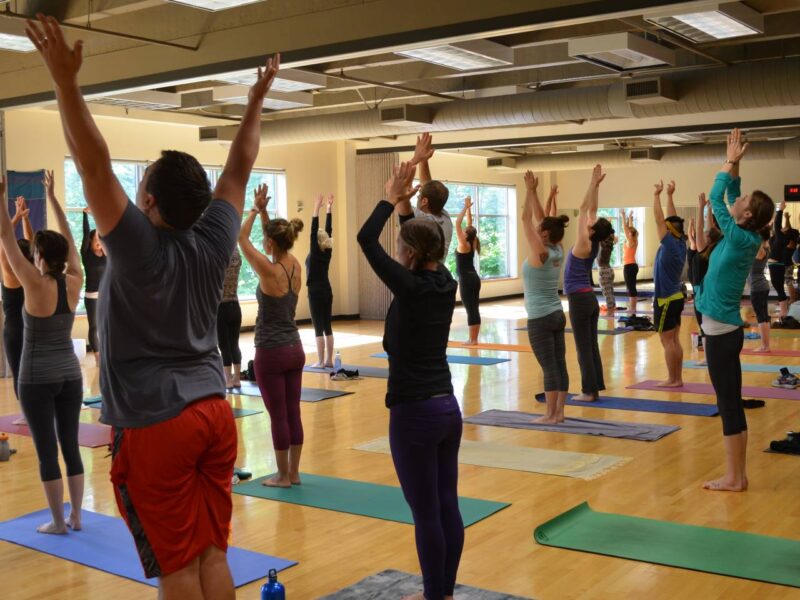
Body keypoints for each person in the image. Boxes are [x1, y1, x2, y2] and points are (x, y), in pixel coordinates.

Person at [26, 14, 281, 597]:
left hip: (158, 422)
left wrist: (64, 81)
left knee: (177, 563)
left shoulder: (139, 243)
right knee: (212, 551)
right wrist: (255, 100)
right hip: (214, 413)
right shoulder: (214, 235)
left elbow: (92, 164)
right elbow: (240, 165)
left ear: (148, 199)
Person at [358, 161, 462, 600]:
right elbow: (420, 238)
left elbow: (366, 239)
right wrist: (403, 203)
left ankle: (434, 595)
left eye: (401, 247)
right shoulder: (445, 281)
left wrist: (388, 195)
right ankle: (445, 591)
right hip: (446, 408)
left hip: (414, 413)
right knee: (445, 506)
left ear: (410, 255)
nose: (396, 251)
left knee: (425, 513)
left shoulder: (411, 287)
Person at [0, 171, 84, 534]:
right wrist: (51, 199)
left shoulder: (32, 283)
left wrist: (2, 199)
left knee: (47, 451)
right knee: (70, 445)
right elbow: (69, 241)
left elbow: (5, 236)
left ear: (38, 256)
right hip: (71, 375)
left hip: (37, 378)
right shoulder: (75, 280)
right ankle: (77, 516)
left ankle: (57, 521)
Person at [695, 128, 774, 492]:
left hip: (722, 334)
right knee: (730, 403)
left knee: (728, 405)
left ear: (745, 216)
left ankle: (734, 477)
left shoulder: (740, 236)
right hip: (721, 331)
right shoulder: (744, 233)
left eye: (742, 200)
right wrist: (736, 161)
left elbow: (715, 196)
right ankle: (737, 475)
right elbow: (728, 193)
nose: (737, 198)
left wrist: (728, 162)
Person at [240, 184, 305, 488]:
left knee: (278, 415)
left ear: (269, 242)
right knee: (293, 410)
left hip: (271, 351)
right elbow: (271, 239)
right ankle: (294, 472)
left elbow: (241, 239)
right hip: (295, 347)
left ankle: (282, 476)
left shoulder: (269, 270)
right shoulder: (295, 266)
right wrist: (266, 212)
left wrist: (253, 209)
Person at [522, 171, 570, 423]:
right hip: (556, 314)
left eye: (540, 229)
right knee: (559, 364)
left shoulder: (540, 252)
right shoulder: (557, 249)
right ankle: (559, 413)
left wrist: (530, 191)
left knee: (549, 366)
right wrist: (538, 193)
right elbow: (542, 219)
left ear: (543, 235)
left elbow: (525, 219)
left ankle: (550, 414)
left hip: (540, 317)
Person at [563, 165, 611, 402]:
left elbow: (583, 209)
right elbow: (592, 209)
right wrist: (597, 186)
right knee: (590, 345)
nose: (589, 222)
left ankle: (588, 392)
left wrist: (591, 183)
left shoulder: (584, 242)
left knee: (584, 347)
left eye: (591, 223)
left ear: (592, 230)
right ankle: (594, 387)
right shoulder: (593, 242)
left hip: (580, 300)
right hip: (588, 299)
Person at [1, 196, 34, 425]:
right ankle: (35, 410)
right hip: (32, 326)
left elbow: (3, 240)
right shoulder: (32, 271)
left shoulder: (11, 273)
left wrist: (15, 217)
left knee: (18, 370)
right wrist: (25, 218)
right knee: (32, 370)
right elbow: (32, 244)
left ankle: (26, 413)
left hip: (14, 329)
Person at [652, 179, 687, 388]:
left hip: (665, 299)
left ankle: (673, 379)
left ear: (669, 230)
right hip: (675, 298)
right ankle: (678, 378)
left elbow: (660, 221)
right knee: (674, 340)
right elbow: (672, 220)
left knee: (667, 341)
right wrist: (670, 196)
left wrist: (656, 195)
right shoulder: (680, 241)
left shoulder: (671, 245)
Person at [405, 132, 453, 261]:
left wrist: (416, 159)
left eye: (419, 195)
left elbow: (398, 196)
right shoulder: (445, 219)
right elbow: (427, 186)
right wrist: (423, 159)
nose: (417, 197)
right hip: (438, 276)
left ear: (425, 201)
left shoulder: (422, 220)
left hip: (422, 278)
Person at [306, 193, 334, 368]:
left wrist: (317, 208)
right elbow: (328, 231)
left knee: (318, 327)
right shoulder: (327, 251)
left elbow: (313, 229)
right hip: (327, 290)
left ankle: (321, 362)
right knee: (328, 326)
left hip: (315, 292)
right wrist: (329, 209)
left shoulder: (316, 252)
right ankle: (329, 360)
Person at [80, 205, 106, 367]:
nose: (98, 242)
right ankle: (98, 358)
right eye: (95, 240)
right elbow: (86, 235)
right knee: (94, 326)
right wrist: (86, 215)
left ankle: (109, 352)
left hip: (108, 296)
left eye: (99, 240)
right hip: (92, 297)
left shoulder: (107, 255)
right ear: (89, 244)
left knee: (109, 325)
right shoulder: (86, 255)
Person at [454, 196, 481, 345]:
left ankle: (472, 340)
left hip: (466, 280)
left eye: (464, 230)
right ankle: (474, 339)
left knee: (470, 309)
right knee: (474, 307)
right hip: (474, 278)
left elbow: (457, 223)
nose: (462, 230)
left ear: (465, 234)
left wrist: (465, 208)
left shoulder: (464, 244)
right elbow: (470, 225)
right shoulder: (473, 241)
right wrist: (469, 208)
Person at [218, 246, 242, 389]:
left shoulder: (220, 255)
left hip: (221, 307)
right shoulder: (236, 255)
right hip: (235, 305)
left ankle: (228, 380)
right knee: (234, 344)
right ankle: (237, 378)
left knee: (224, 345)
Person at [747, 238, 771, 353]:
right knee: (764, 317)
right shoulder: (766, 247)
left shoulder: (762, 250)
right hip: (761, 286)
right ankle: (766, 345)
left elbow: (759, 252)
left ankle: (764, 346)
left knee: (761, 318)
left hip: (758, 288)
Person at [767, 201, 790, 318]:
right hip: (777, 265)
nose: (783, 228)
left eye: (785, 228)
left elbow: (777, 224)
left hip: (776, 265)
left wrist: (780, 210)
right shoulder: (776, 238)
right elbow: (773, 228)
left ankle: (784, 312)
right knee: (779, 288)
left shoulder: (781, 238)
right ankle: (784, 311)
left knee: (779, 288)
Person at [621, 210, 639, 316]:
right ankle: (632, 308)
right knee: (631, 287)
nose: (627, 232)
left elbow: (625, 228)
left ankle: (632, 309)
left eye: (628, 232)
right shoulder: (634, 240)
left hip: (629, 266)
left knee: (631, 288)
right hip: (632, 266)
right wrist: (630, 218)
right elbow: (631, 229)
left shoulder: (631, 241)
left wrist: (623, 216)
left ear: (630, 234)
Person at [597, 233, 617, 314]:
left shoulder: (602, 245)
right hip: (609, 270)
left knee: (607, 294)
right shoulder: (609, 246)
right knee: (610, 292)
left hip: (604, 271)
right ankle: (612, 309)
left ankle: (610, 313)